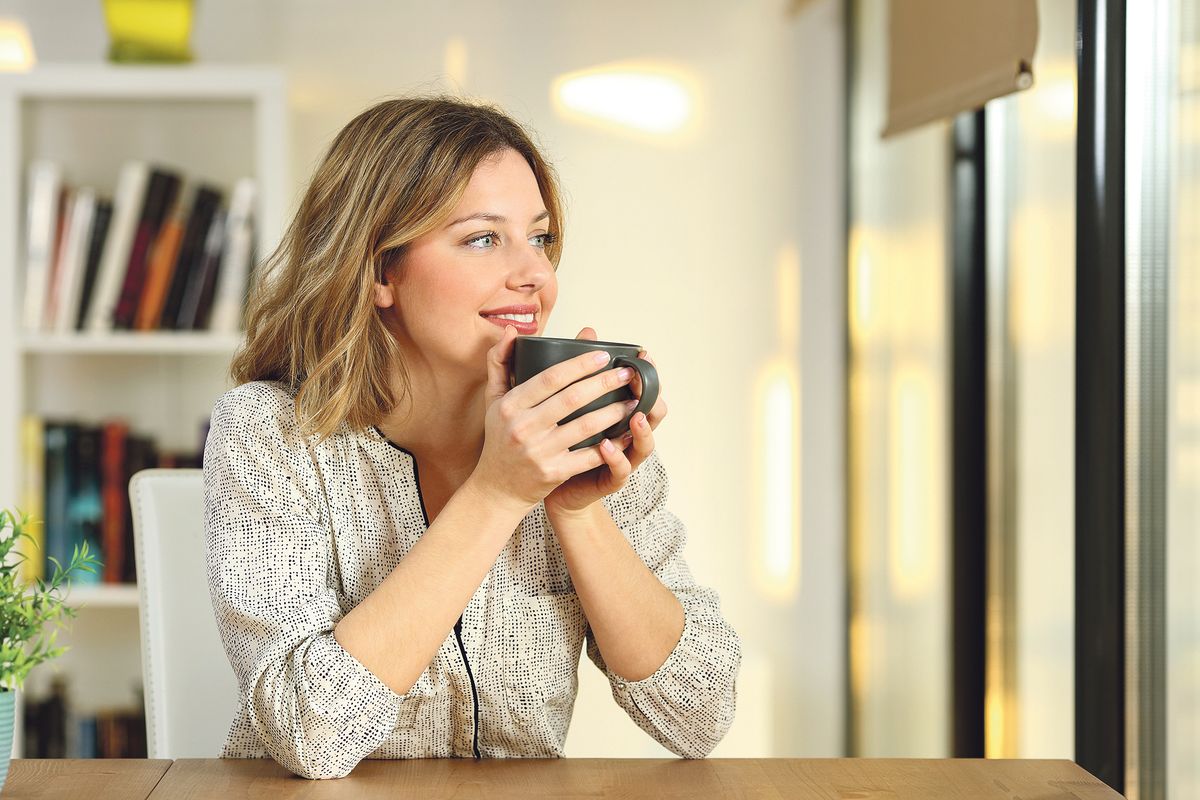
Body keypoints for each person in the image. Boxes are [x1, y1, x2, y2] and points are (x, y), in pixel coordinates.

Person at [202, 96, 741, 780]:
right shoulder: (269, 434)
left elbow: (701, 714)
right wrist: (496, 494)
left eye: (539, 238)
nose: (535, 275)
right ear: (380, 271)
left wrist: (578, 512)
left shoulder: (580, 428)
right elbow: (311, 734)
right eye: (484, 239)